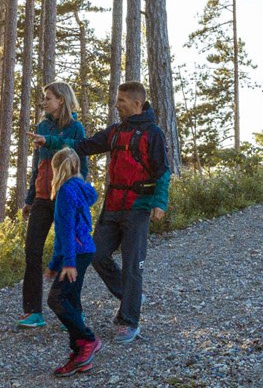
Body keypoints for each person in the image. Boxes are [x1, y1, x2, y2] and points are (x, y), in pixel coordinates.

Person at [35, 81, 167, 344]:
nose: (116, 104)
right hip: (113, 206)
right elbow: (83, 145)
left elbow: (163, 171)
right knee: (96, 254)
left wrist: (159, 203)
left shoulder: (153, 133)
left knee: (133, 265)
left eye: (121, 100)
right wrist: (49, 140)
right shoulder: (115, 131)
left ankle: (128, 320)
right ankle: (131, 295)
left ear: (137, 104)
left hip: (138, 207)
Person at [18, 83, 89, 329]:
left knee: (68, 250)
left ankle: (72, 309)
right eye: (44, 98)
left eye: (48, 98)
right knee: (32, 251)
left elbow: (80, 161)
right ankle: (33, 311)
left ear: (62, 100)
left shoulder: (76, 128)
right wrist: (29, 198)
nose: (44, 102)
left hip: (65, 197)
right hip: (41, 197)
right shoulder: (42, 126)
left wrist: (80, 198)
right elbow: (37, 165)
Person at [45, 148, 101, 376]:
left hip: (76, 254)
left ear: (56, 168)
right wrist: (54, 263)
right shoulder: (78, 187)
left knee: (55, 298)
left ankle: (88, 341)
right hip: (81, 251)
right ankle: (80, 355)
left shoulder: (66, 191)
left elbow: (66, 231)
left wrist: (67, 263)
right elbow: (64, 233)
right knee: (71, 299)